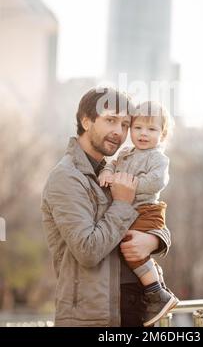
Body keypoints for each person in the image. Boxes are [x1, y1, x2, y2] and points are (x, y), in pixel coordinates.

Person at [41, 87, 171, 327]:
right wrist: (121, 203)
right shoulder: (67, 177)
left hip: (137, 310)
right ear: (86, 121)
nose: (118, 132)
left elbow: (146, 211)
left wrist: (155, 240)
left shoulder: (117, 168)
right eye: (111, 120)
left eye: (124, 124)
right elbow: (87, 250)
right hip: (95, 317)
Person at [99, 101, 178, 326]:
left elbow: (156, 182)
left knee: (131, 250)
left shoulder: (158, 158)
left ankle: (156, 293)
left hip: (146, 210)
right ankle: (157, 283)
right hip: (131, 211)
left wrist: (128, 185)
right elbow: (112, 167)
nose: (144, 134)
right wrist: (106, 171)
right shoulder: (124, 154)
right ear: (131, 129)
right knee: (133, 250)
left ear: (161, 135)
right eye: (138, 128)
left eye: (151, 129)